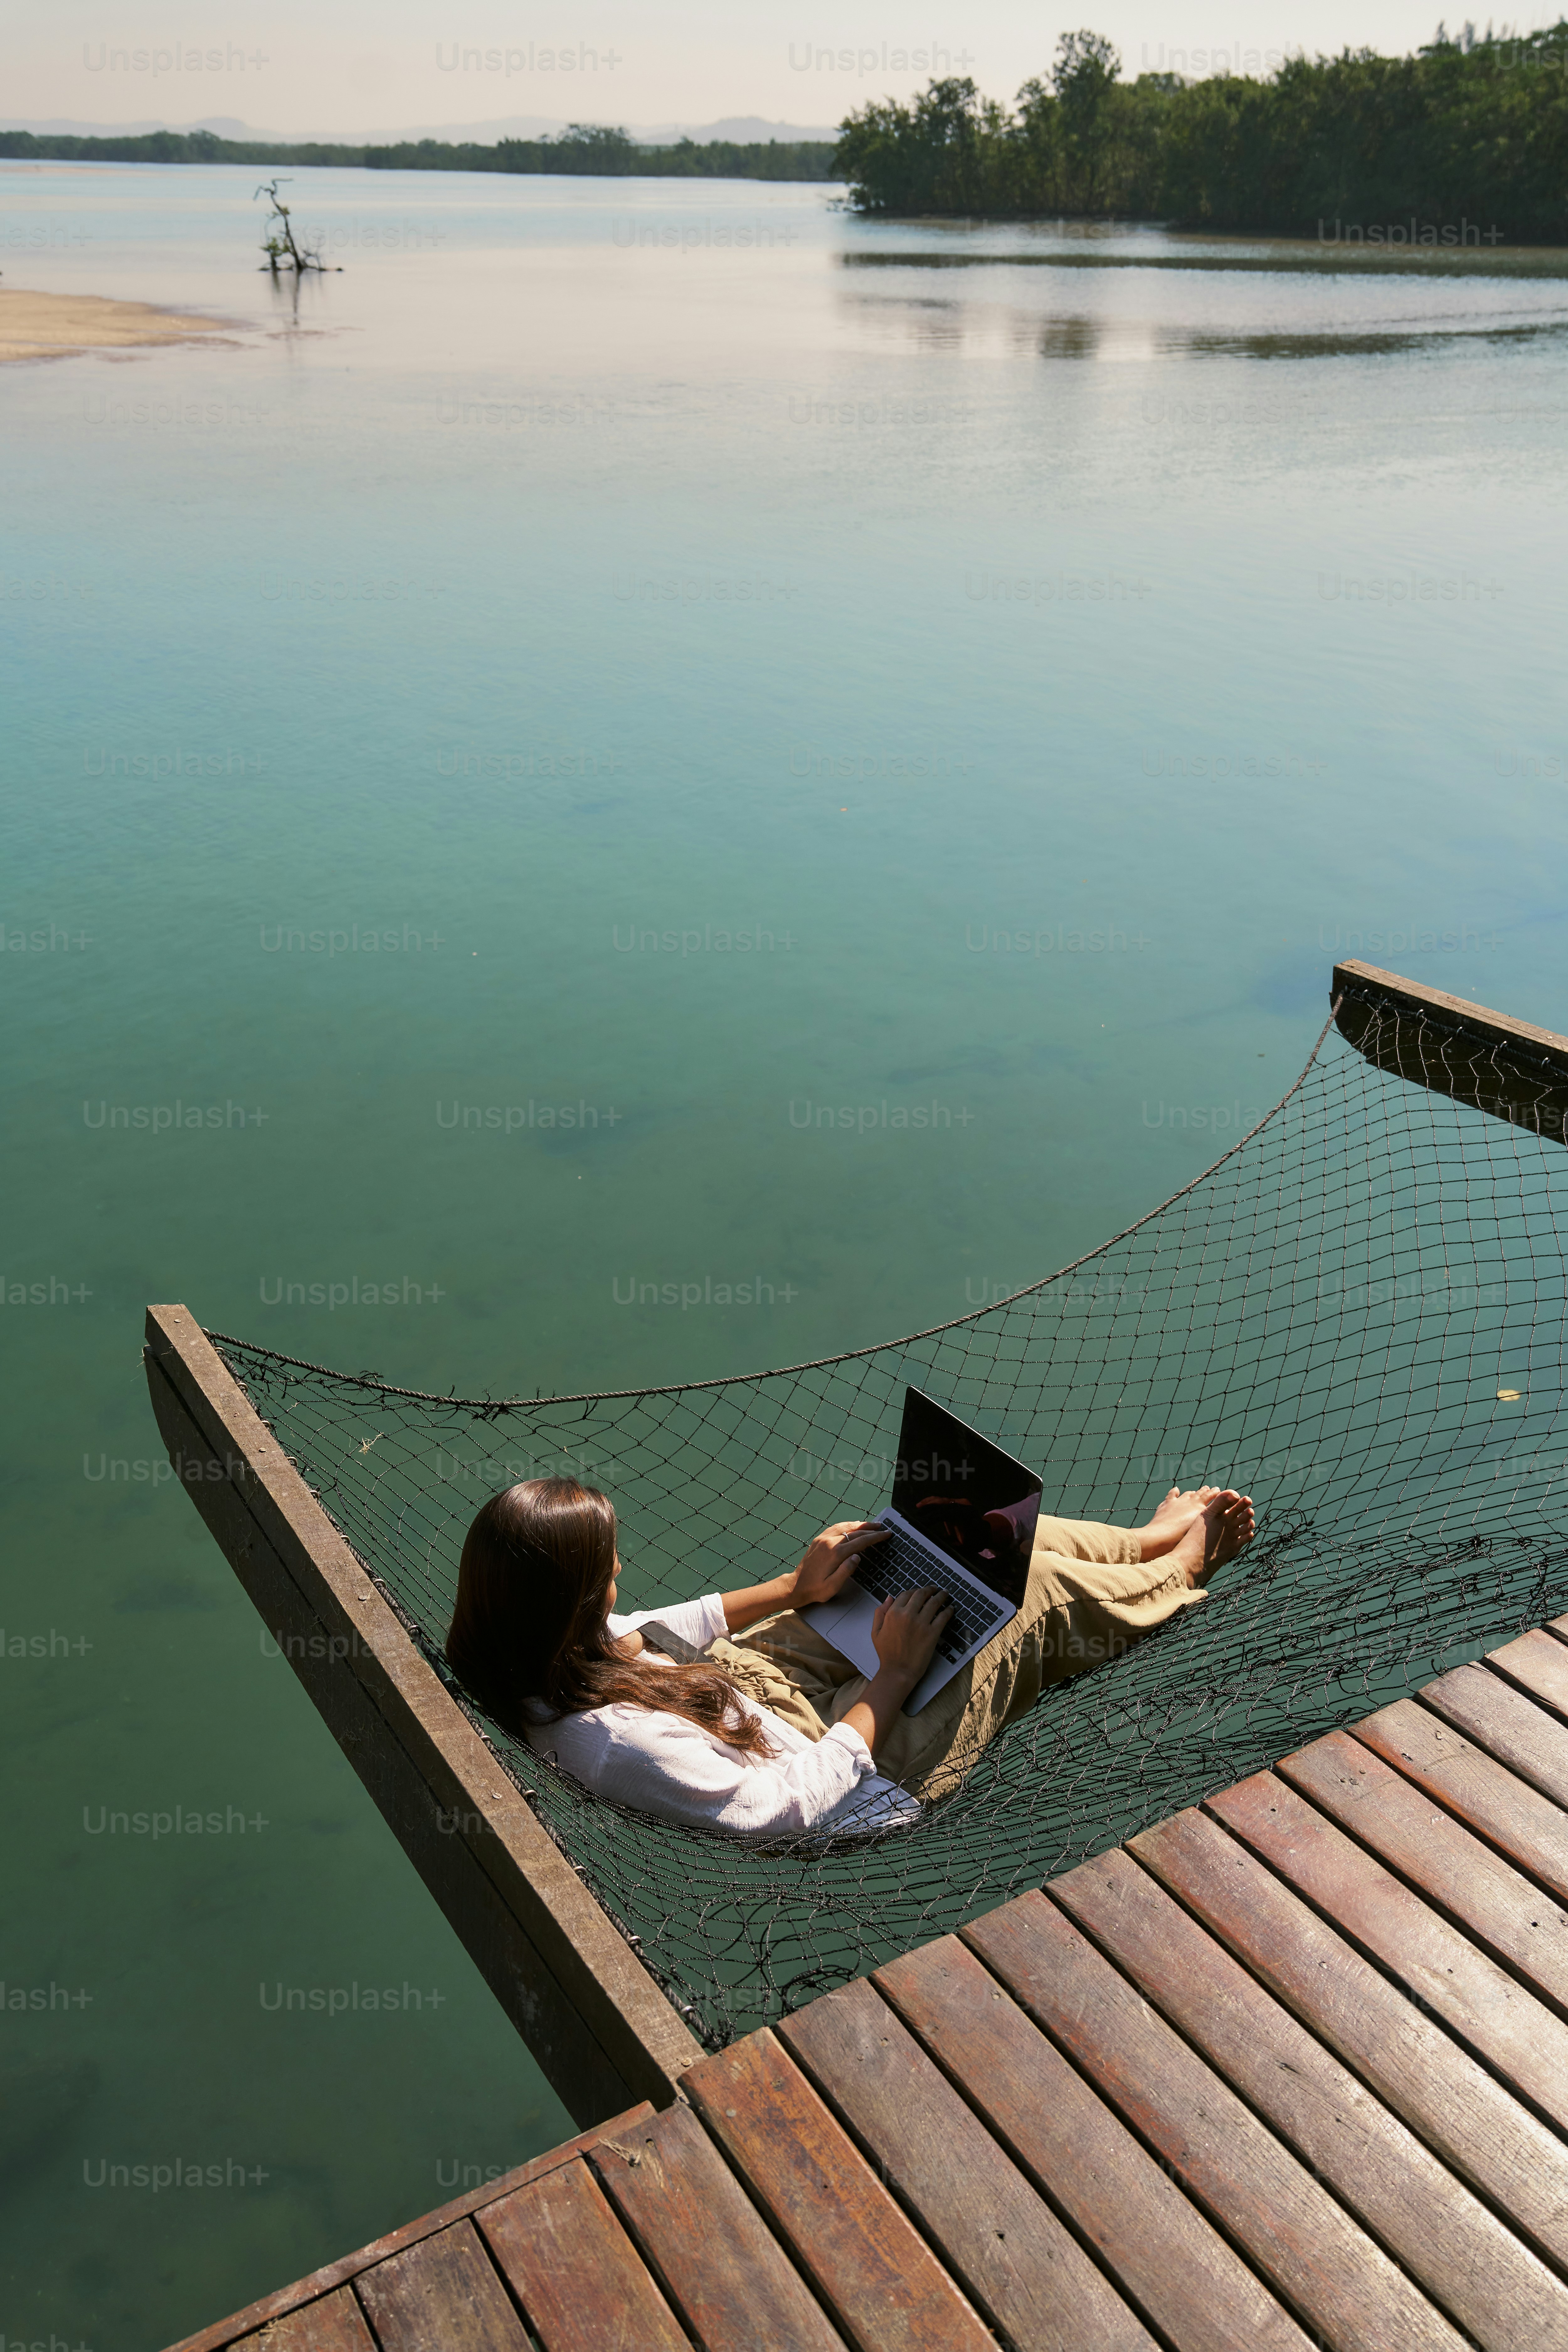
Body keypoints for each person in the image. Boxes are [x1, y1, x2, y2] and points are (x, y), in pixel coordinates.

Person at [445, 1475, 1254, 1841]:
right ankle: (1177, 1574)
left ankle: (1140, 1544)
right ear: (570, 1600)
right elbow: (782, 1810)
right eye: (607, 1567)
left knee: (947, 1552)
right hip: (854, 1777)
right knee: (1018, 1602)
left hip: (745, 1699)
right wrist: (893, 1676)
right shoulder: (617, 1743)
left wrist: (796, 1587)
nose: (621, 1573)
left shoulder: (529, 1647)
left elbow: (652, 1628)